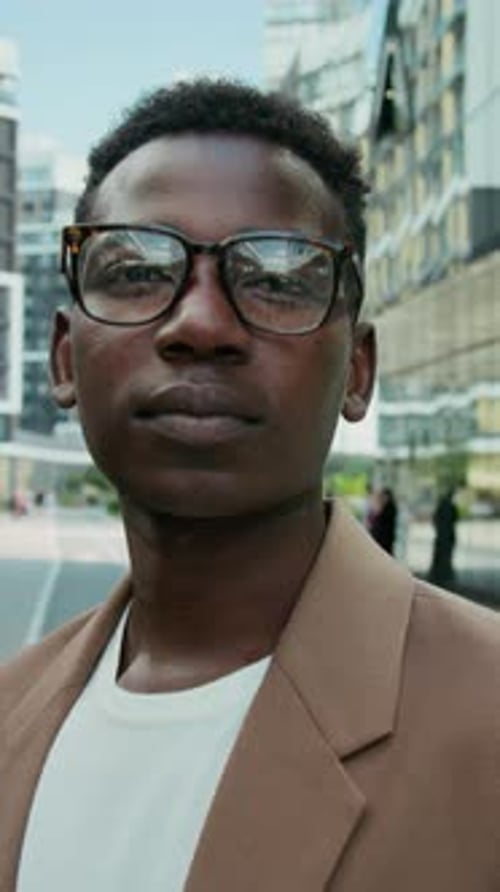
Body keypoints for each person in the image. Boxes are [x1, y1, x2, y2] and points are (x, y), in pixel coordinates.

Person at [1, 80, 499, 892]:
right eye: (135, 268)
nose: (199, 325)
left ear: (358, 371)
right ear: (64, 357)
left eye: (276, 279)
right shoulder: (9, 712)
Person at [429, 489, 459, 586]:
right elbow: (455, 519)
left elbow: (435, 519)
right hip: (448, 536)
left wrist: (438, 529)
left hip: (441, 536)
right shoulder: (452, 507)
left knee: (439, 556)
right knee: (446, 557)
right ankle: (444, 575)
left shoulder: (441, 506)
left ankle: (437, 575)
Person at [367, 486, 398, 555]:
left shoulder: (389, 508)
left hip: (384, 539)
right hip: (382, 539)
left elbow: (378, 517)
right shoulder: (387, 508)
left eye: (383, 496)